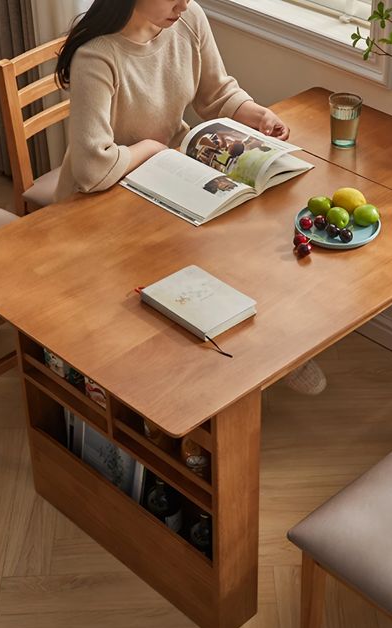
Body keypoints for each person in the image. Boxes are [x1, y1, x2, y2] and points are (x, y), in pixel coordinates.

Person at [54, 0, 326, 396]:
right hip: (101, 200)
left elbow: (215, 94)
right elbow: (92, 169)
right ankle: (182, 383)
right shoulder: (97, 57)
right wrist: (150, 146)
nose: (184, 2)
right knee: (184, 270)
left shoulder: (188, 19)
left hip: (166, 176)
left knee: (244, 243)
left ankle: (271, 354)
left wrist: (257, 115)